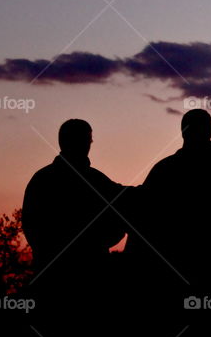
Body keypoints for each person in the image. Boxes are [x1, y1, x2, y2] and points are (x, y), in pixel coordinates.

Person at [126, 109, 211, 305]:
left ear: (183, 132)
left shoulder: (165, 170)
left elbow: (143, 219)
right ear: (210, 131)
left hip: (179, 273)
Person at [22, 119, 130, 301]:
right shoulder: (97, 181)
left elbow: (31, 227)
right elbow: (124, 208)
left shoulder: (41, 180)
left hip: (50, 280)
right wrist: (99, 245)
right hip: (89, 280)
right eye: (88, 139)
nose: (90, 144)